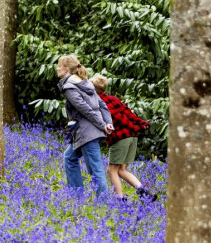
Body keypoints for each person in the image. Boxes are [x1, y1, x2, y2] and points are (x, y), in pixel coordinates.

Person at [90, 74, 158, 201]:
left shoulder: (99, 102)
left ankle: (119, 198)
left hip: (120, 137)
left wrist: (135, 127)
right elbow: (128, 112)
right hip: (132, 137)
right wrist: (140, 123)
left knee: (112, 170)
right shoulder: (113, 99)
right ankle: (144, 192)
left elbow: (118, 118)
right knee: (121, 170)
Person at [57, 55, 113, 197]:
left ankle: (105, 203)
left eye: (59, 66)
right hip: (89, 131)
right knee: (69, 157)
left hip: (87, 132)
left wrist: (104, 125)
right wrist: (108, 123)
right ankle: (76, 196)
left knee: (96, 169)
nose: (57, 68)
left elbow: (85, 109)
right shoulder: (85, 82)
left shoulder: (70, 87)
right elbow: (102, 106)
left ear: (67, 69)